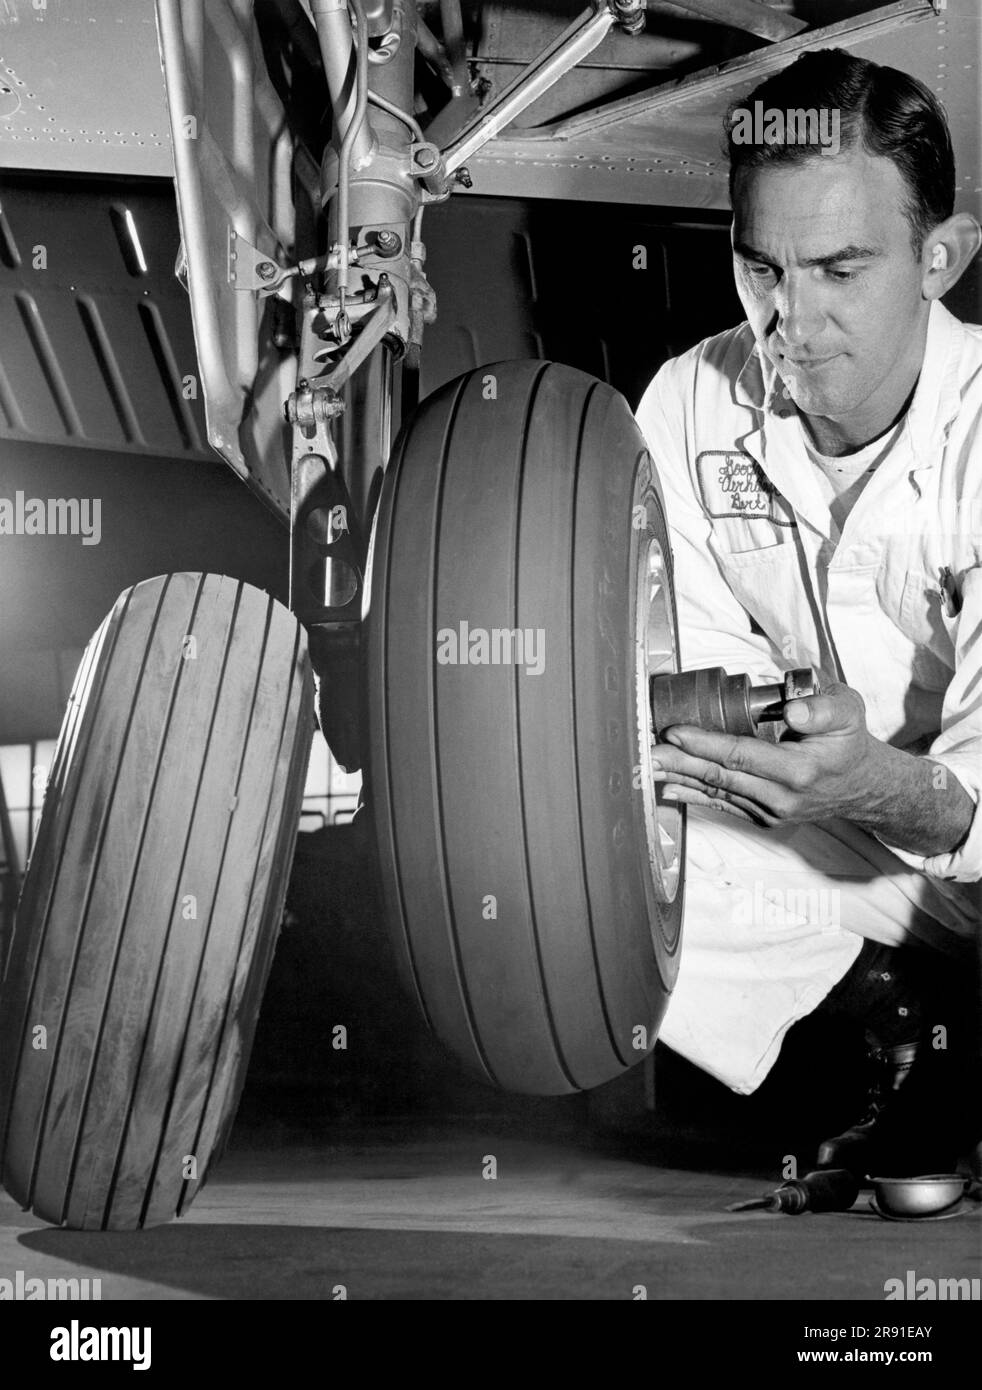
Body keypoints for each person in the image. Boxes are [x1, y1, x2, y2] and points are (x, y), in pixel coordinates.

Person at [635, 47, 981, 1177]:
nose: (792, 322)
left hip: (951, 820)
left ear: (941, 257)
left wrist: (871, 777)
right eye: (761, 271)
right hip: (853, 855)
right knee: (603, 834)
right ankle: (887, 1034)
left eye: (839, 269)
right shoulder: (691, 400)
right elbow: (678, 707)